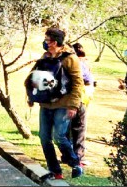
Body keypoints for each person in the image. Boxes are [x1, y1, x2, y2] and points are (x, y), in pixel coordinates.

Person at [30, 28, 84, 181]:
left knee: (59, 136)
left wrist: (73, 105)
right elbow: (34, 76)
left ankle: (75, 163)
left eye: (47, 40)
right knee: (44, 137)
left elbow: (77, 83)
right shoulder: (45, 56)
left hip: (63, 104)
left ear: (54, 42)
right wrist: (31, 96)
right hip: (46, 104)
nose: (45, 43)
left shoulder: (69, 58)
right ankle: (55, 171)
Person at [70, 43, 94, 167]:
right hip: (80, 99)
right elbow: (89, 80)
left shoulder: (65, 61)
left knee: (68, 128)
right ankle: (78, 157)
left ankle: (68, 155)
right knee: (79, 128)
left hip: (67, 100)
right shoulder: (81, 64)